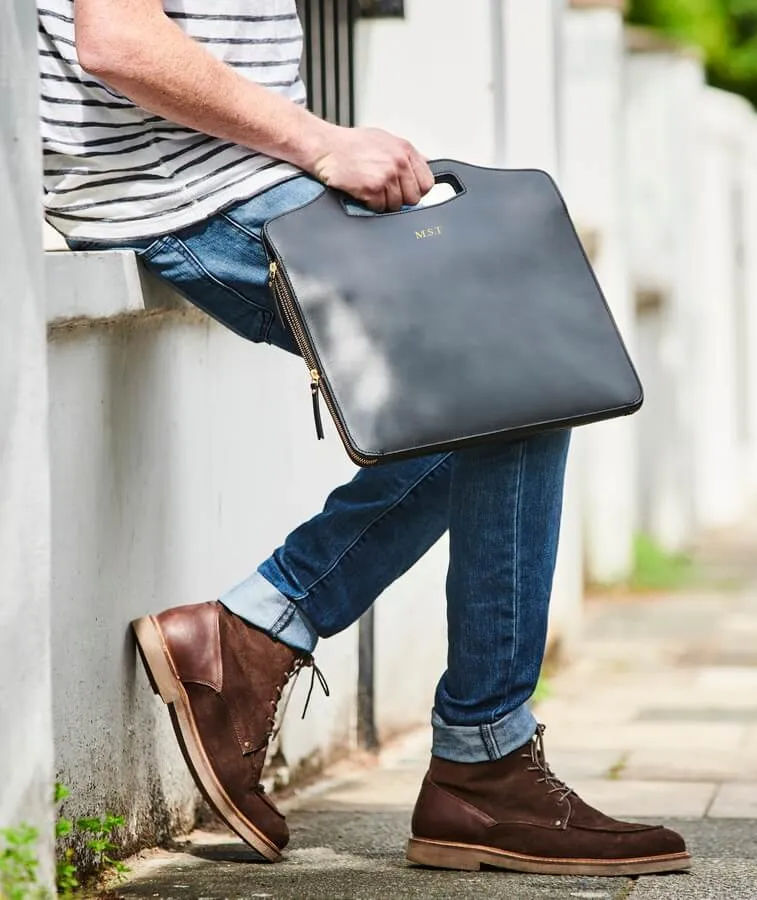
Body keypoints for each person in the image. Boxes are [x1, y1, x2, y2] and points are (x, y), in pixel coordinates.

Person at [39, 0, 690, 877]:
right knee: (510, 360)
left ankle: (263, 638)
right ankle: (473, 758)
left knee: (521, 361)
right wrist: (319, 142)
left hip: (256, 178)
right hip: (192, 191)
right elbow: (117, 40)